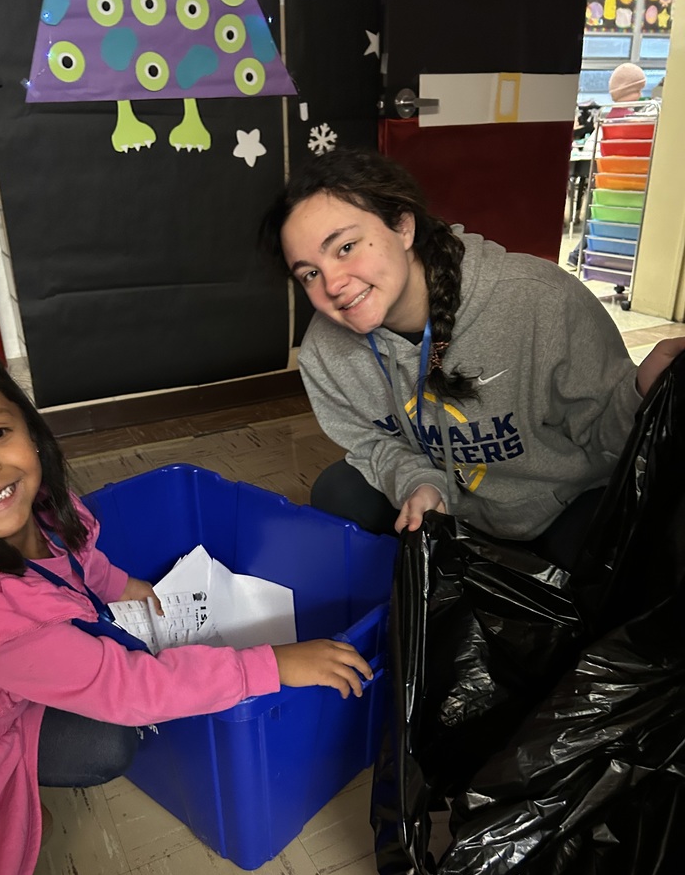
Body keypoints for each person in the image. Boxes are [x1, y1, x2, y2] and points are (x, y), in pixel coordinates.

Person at [0, 323, 372, 875]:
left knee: (104, 744)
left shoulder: (36, 507)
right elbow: (126, 688)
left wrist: (125, 586)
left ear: (29, 429)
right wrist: (273, 665)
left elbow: (78, 563)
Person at [260, 147, 685, 569]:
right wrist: (420, 485)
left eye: (346, 247)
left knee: (636, 554)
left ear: (403, 227)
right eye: (310, 273)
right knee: (340, 491)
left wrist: (639, 392)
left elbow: (610, 440)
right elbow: (372, 445)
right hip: (450, 510)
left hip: (561, 506)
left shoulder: (541, 301)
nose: (332, 284)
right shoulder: (324, 352)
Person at [567, 62, 647, 267]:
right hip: (611, 178)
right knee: (599, 218)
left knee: (600, 217)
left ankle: (578, 255)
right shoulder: (623, 120)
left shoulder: (612, 118)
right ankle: (577, 255)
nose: (639, 95)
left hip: (610, 177)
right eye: (637, 90)